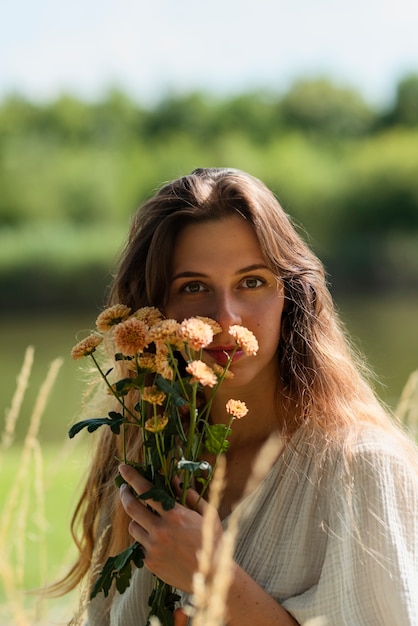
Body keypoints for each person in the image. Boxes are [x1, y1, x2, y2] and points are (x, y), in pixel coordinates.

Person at [58, 168, 418, 625]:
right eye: (193, 287)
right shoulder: (143, 458)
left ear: (291, 296)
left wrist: (214, 581)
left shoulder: (361, 469)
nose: (225, 317)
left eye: (252, 282)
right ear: (153, 312)